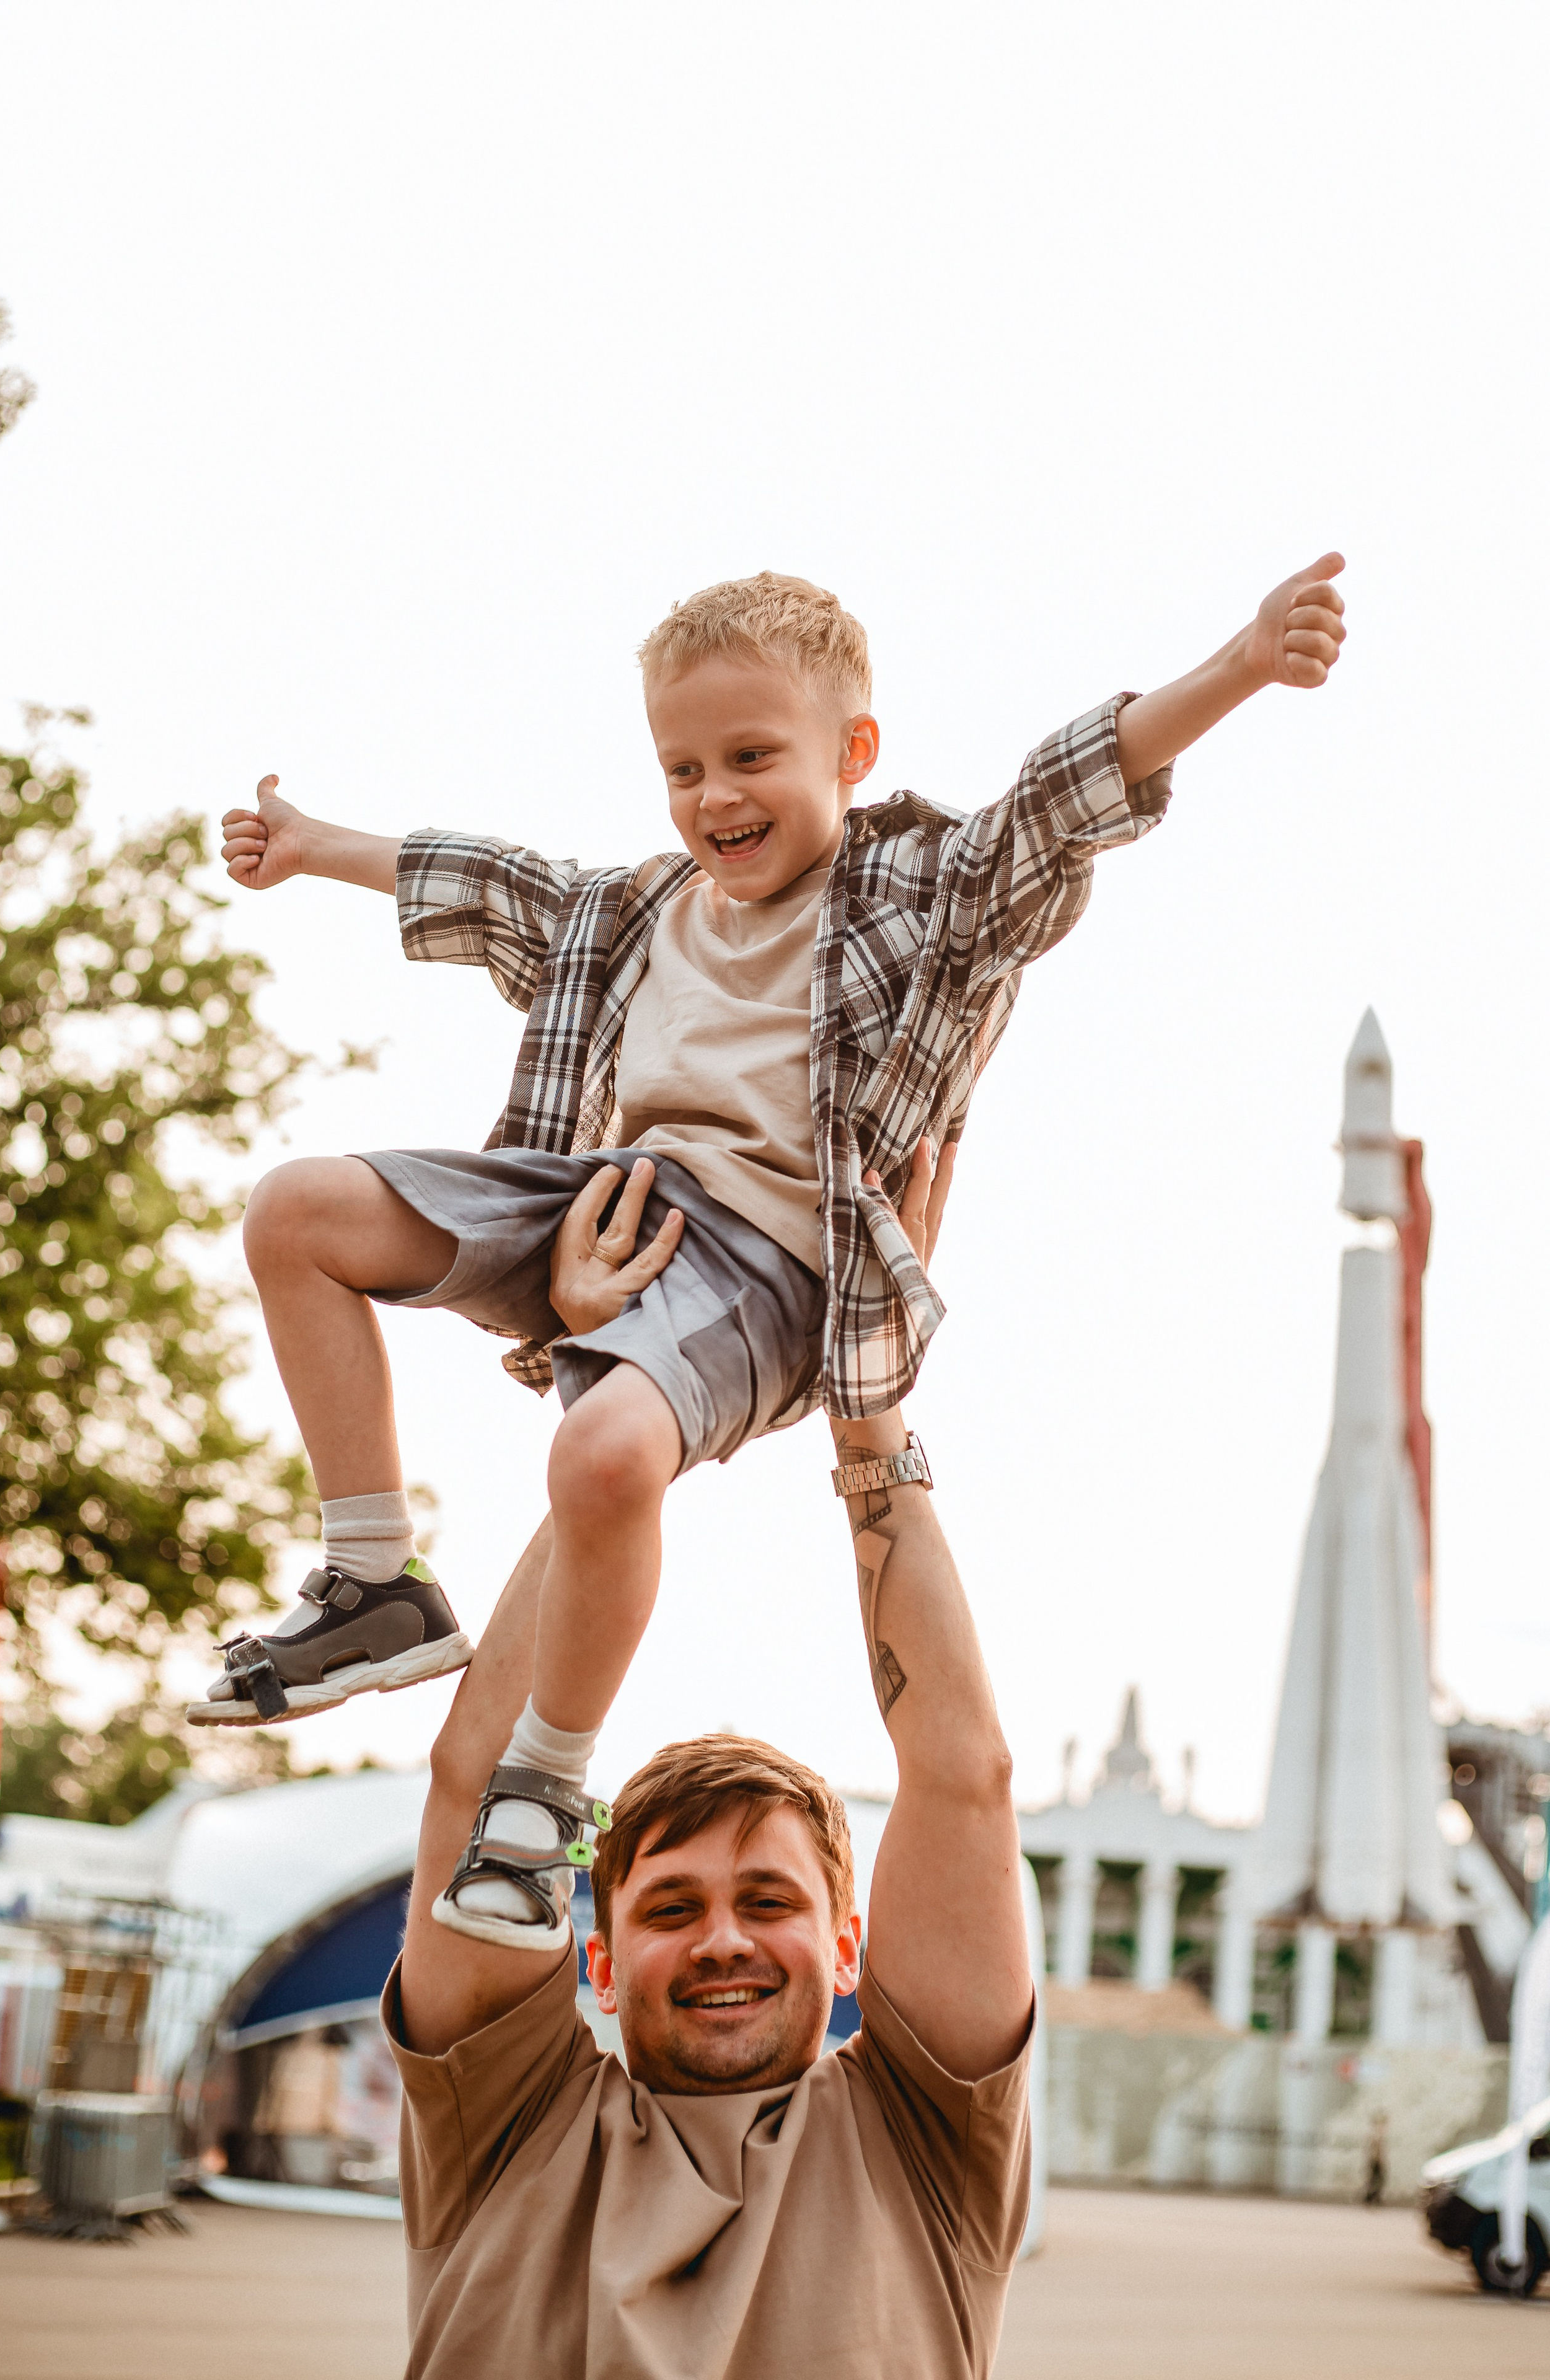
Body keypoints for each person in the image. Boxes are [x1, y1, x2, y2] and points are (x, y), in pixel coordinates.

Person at [191, 562, 1347, 1960]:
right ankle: (374, 1578)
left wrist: (1240, 663)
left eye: (751, 758)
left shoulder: (913, 898)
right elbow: (494, 885)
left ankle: (544, 1789)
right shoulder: (638, 913)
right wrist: (311, 844)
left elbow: (1058, 799)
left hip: (769, 1263)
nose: (713, 797)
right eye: (681, 768)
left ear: (851, 753)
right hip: (602, 1202)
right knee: (296, 1211)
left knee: (603, 1456)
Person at [389, 1148, 1037, 2378]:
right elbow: (479, 1781)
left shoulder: (926, 2141)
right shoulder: (505, 2123)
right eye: (672, 1907)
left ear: (847, 1948)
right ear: (599, 1960)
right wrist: (628, 1399)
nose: (724, 1939)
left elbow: (965, 1778)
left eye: (771, 1900)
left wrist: (864, 1388)